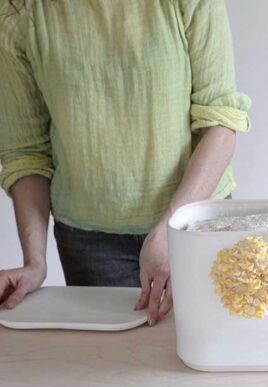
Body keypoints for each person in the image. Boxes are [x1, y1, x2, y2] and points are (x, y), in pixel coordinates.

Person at [0, 0, 251, 326]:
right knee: (112, 366)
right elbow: (26, 153)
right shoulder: (18, 13)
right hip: (90, 244)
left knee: (206, 350)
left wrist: (170, 228)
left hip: (194, 222)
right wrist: (35, 262)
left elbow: (220, 126)